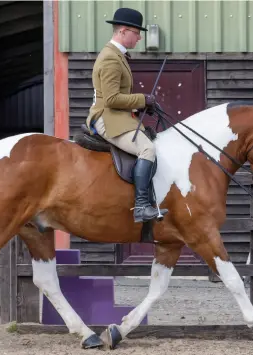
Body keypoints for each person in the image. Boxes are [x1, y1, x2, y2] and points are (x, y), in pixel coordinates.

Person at [86, 7, 168, 224]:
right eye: (136, 32)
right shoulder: (111, 59)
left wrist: (140, 106)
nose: (139, 37)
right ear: (123, 31)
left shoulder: (116, 56)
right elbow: (112, 99)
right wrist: (142, 99)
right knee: (147, 149)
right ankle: (141, 206)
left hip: (117, 115)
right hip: (108, 118)